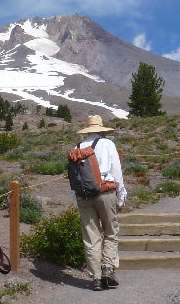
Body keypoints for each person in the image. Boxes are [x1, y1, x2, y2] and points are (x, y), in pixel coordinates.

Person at [72, 115, 127, 291]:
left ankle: (95, 278)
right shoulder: (108, 144)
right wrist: (121, 194)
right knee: (110, 231)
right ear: (101, 129)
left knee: (91, 236)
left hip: (83, 196)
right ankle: (108, 269)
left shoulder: (78, 147)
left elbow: (74, 176)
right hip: (105, 191)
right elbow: (116, 172)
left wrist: (76, 197)